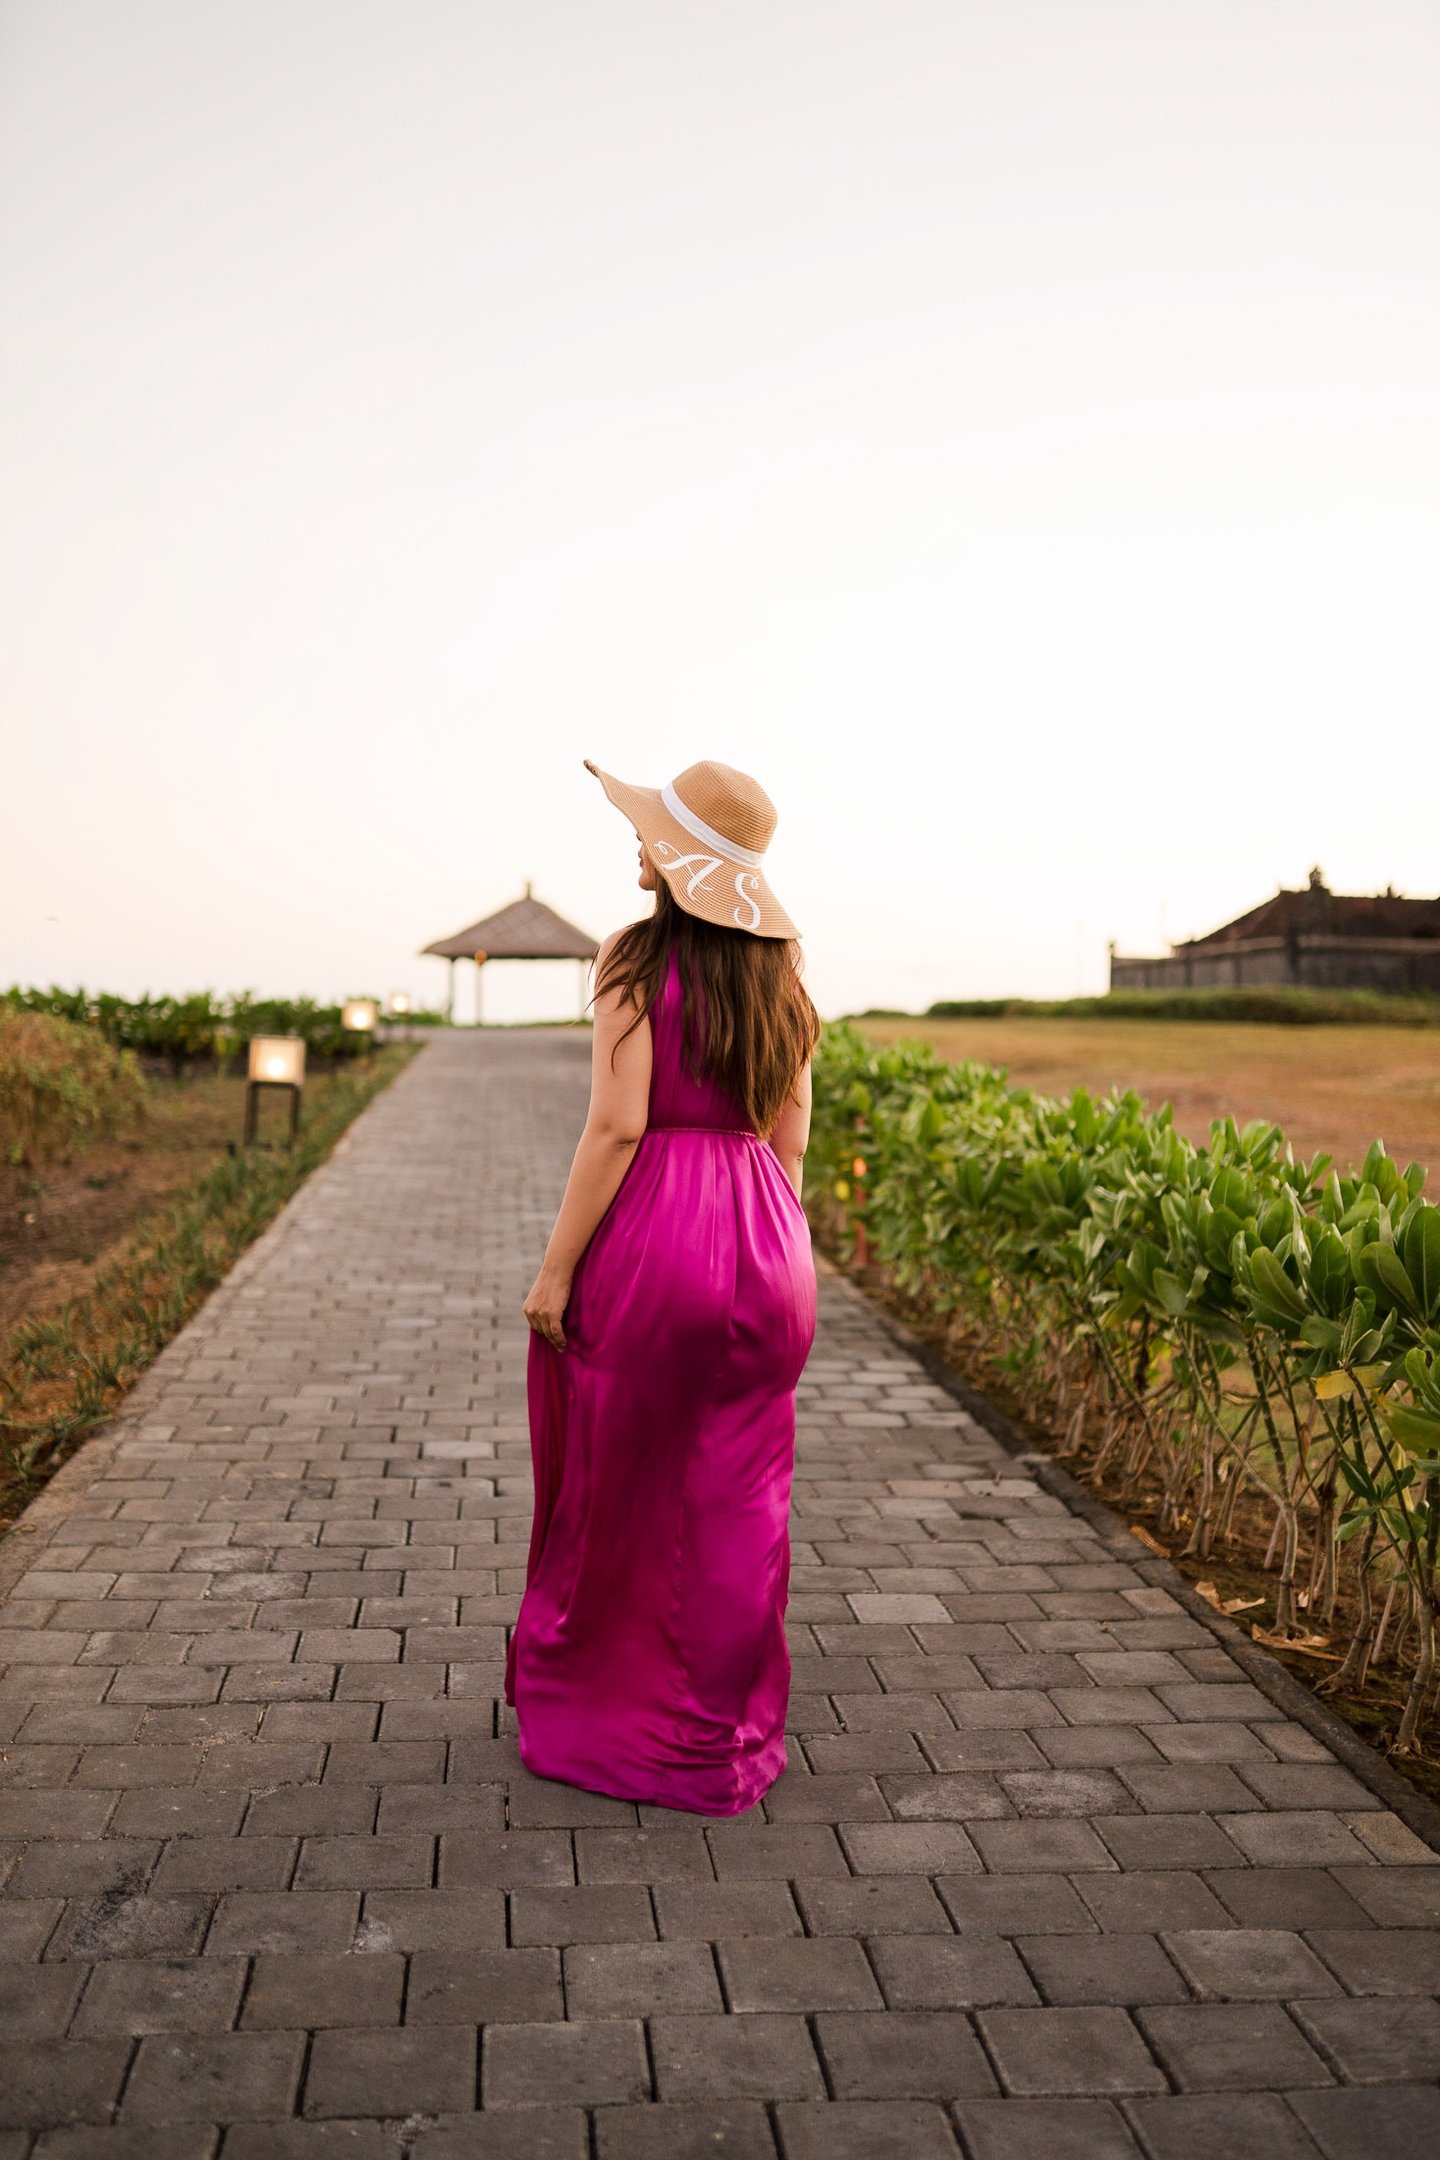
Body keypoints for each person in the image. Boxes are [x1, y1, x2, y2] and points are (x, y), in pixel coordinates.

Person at [504, 757, 820, 1816]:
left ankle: (625, 1719)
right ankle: (721, 1734)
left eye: (649, 830)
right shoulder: (785, 968)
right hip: (770, 1239)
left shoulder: (632, 957)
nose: (634, 843)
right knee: (740, 1499)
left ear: (680, 858)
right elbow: (791, 1137)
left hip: (662, 1236)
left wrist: (556, 1271)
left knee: (623, 1483)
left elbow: (618, 1125)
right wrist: (779, 1246)